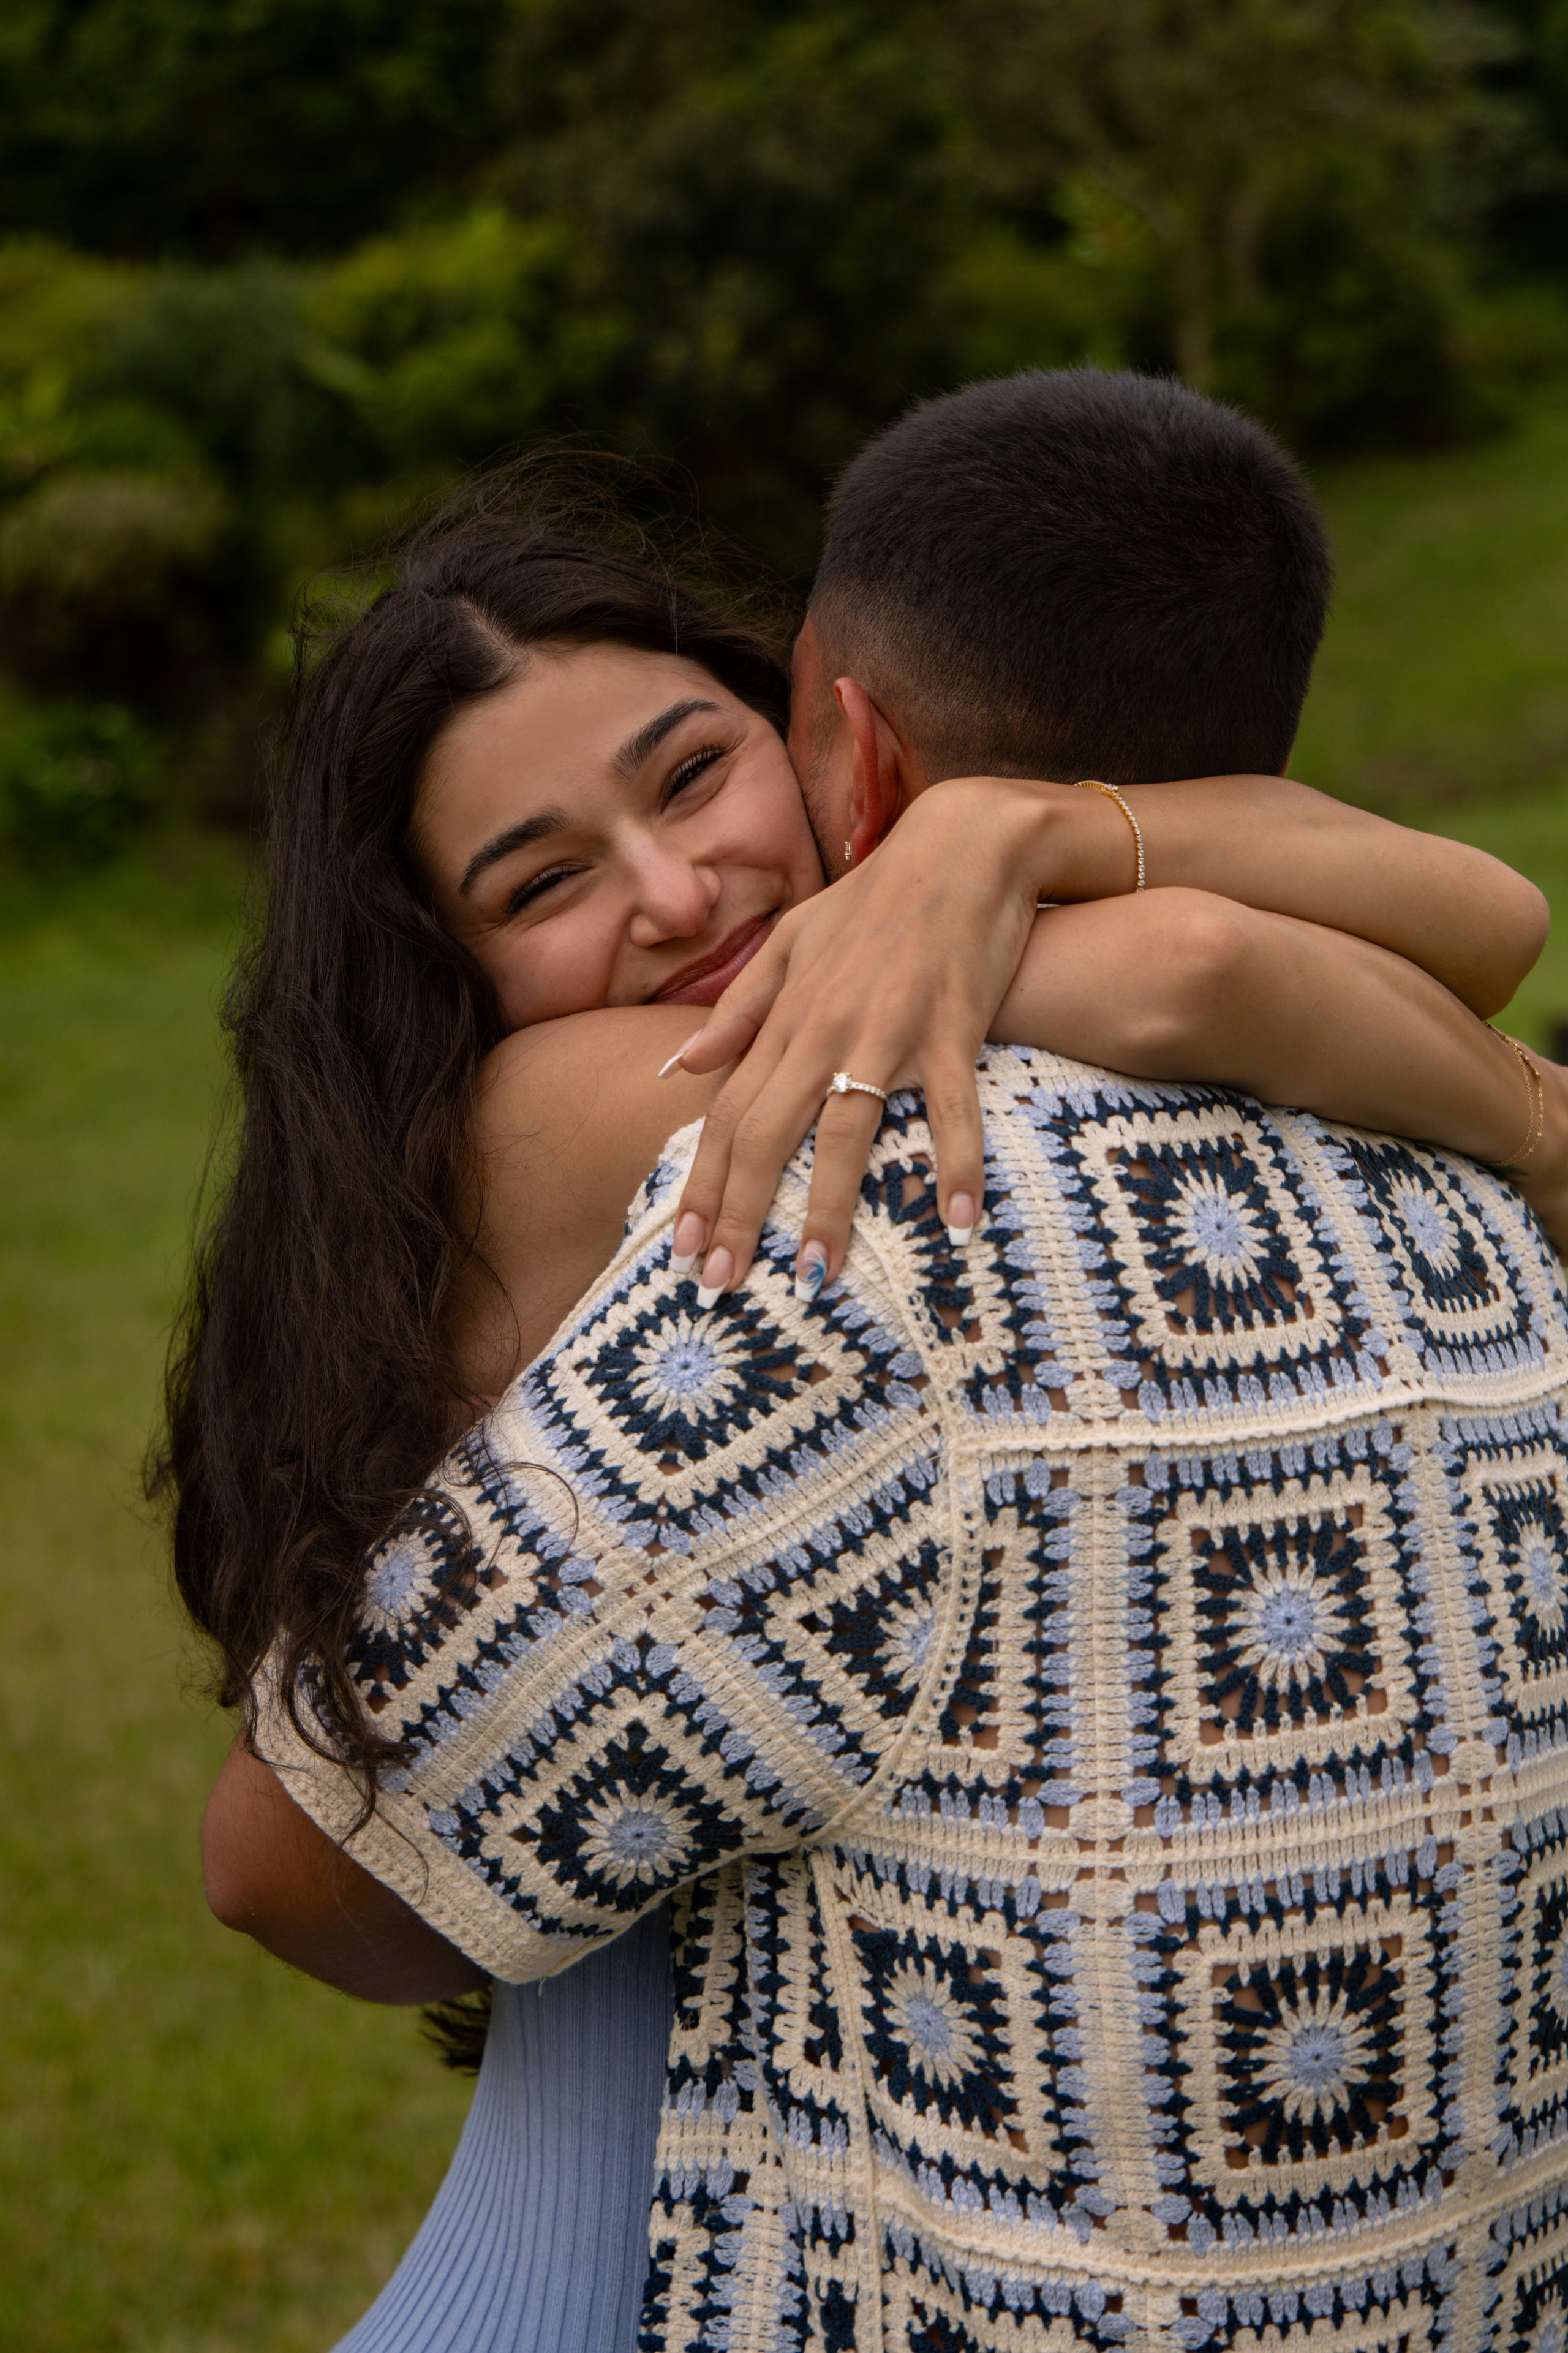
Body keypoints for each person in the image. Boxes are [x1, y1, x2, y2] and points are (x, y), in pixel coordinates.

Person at [186, 372, 1568, 2351]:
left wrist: (988, 838)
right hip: (584, 2164)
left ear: (822, 733)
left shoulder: (870, 992)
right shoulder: (582, 1102)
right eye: (540, 880)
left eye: (690, 776)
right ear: (455, 967)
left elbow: (1487, 906)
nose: (675, 897)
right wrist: (1524, 1121)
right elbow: (1233, 963)